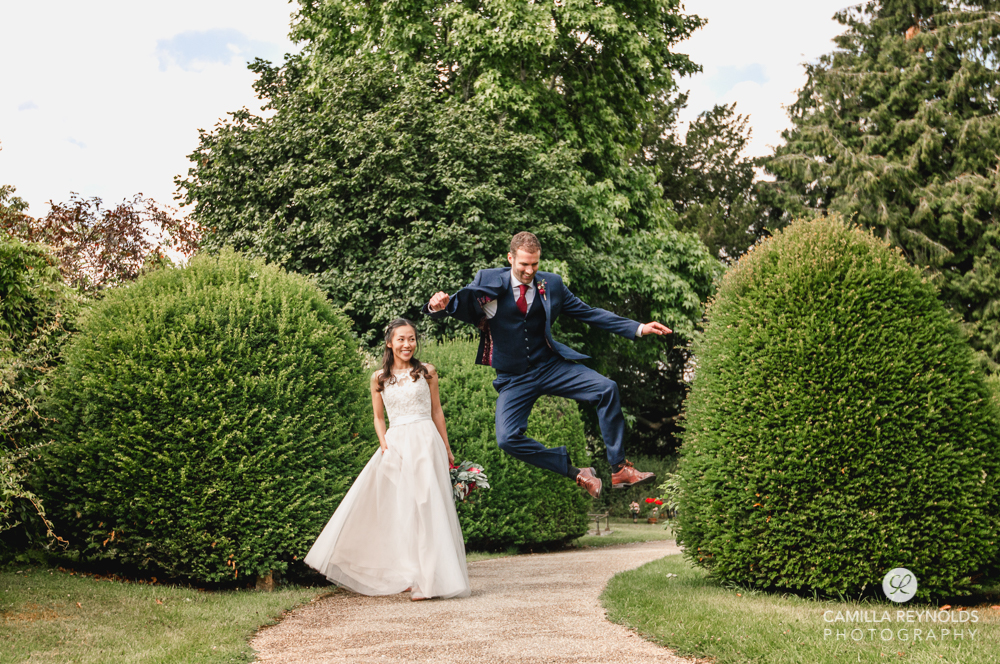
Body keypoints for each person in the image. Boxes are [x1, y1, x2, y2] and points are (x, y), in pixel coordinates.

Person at [423, 231, 670, 498]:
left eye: (535, 264)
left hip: (550, 366)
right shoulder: (488, 279)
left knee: (607, 388)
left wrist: (638, 327)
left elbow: (588, 313)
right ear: (511, 258)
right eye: (523, 264)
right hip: (514, 377)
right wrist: (439, 306)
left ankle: (619, 468)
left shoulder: (551, 284)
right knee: (507, 439)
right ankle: (577, 472)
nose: (530, 270)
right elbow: (461, 305)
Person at [304, 318, 470, 601]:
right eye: (402, 339)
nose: (408, 344)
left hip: (426, 441)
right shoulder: (379, 378)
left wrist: (446, 446)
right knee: (404, 509)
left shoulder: (427, 372)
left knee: (427, 503)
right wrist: (384, 444)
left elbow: (437, 410)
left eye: (412, 338)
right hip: (397, 444)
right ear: (390, 343)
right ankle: (409, 573)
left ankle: (428, 580)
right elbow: (378, 417)